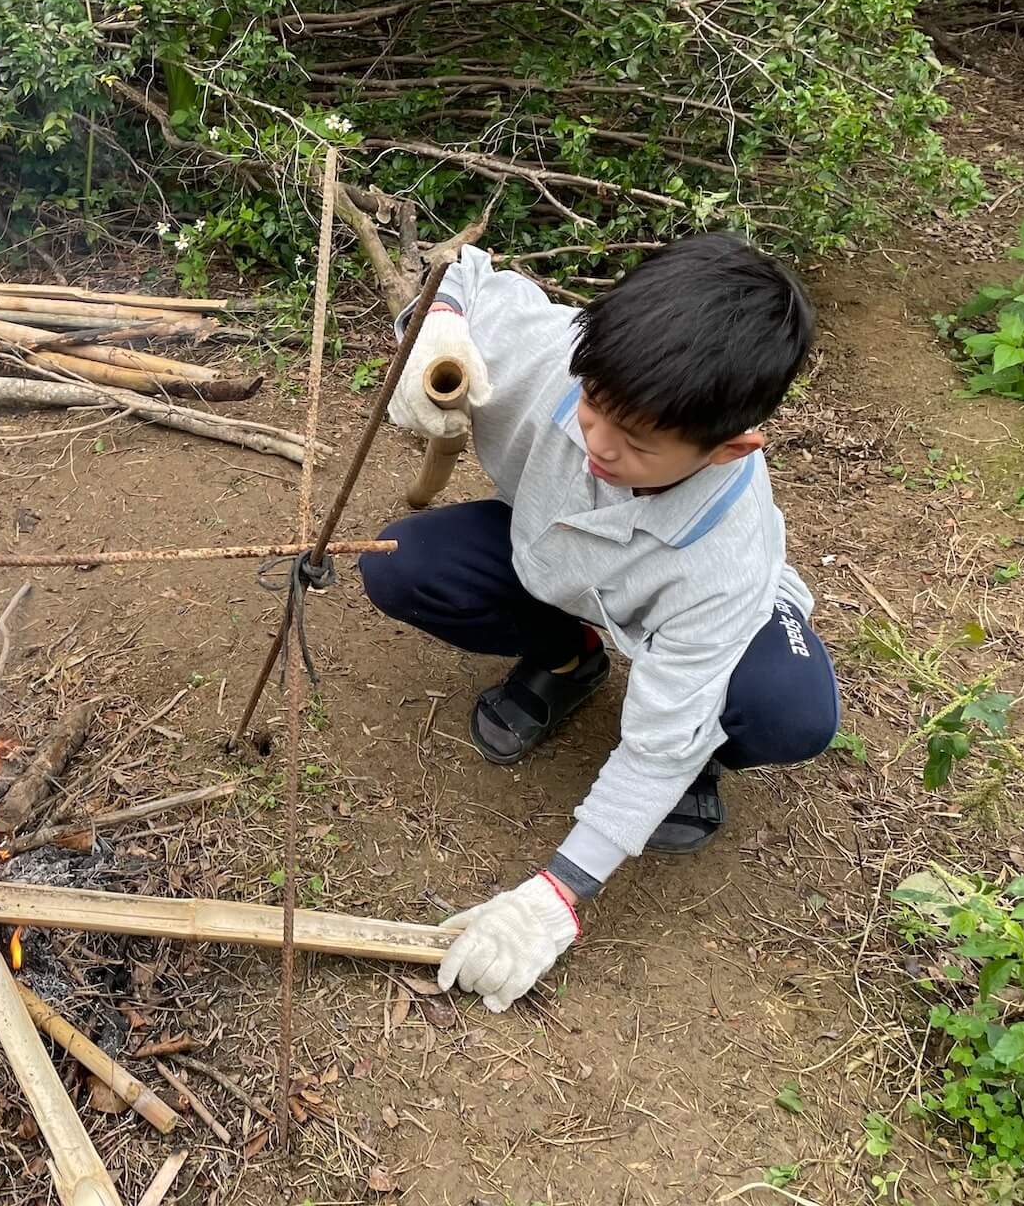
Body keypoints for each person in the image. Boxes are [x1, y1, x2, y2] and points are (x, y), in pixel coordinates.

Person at [359, 233, 839, 1013]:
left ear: (729, 449)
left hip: (687, 616)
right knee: (400, 562)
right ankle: (568, 657)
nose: (596, 445)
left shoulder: (722, 559)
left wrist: (559, 891)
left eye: (637, 443)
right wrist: (437, 321)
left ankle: (707, 761)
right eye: (593, 408)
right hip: (556, 560)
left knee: (788, 709)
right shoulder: (565, 359)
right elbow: (466, 275)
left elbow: (656, 739)